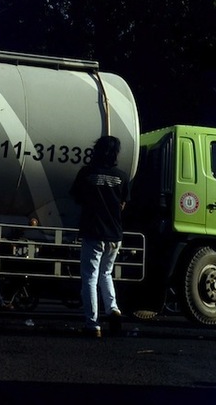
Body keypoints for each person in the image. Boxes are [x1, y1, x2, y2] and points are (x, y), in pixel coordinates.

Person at [70, 135, 130, 337]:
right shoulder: (122, 177)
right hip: (115, 234)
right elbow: (123, 204)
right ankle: (113, 308)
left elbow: (77, 197)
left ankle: (92, 324)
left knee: (90, 277)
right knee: (106, 273)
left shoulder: (87, 174)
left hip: (93, 232)